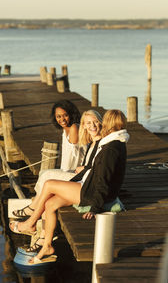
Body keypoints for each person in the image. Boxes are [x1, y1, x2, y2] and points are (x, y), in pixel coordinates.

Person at [10, 109, 129, 264]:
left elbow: (104, 180)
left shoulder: (111, 148)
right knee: (50, 203)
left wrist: (95, 208)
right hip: (87, 185)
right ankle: (46, 246)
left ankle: (30, 223)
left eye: (102, 121)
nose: (99, 125)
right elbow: (100, 172)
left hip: (91, 193)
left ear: (107, 123)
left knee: (49, 184)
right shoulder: (111, 143)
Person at [12, 99, 86, 218]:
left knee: (47, 176)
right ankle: (35, 204)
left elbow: (74, 158)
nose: (62, 119)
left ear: (71, 114)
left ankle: (33, 207)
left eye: (65, 115)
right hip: (69, 171)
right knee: (44, 173)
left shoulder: (74, 128)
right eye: (58, 116)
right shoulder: (65, 129)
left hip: (77, 175)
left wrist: (60, 175)